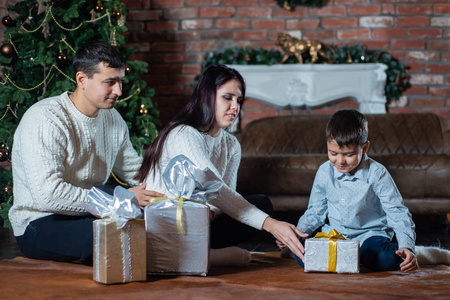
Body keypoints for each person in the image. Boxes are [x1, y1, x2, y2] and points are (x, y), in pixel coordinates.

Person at [9, 41, 164, 265]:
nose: (119, 91)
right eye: (110, 82)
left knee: (151, 224)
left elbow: (136, 172)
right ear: (82, 80)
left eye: (120, 81)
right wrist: (120, 200)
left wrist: (173, 194)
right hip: (39, 222)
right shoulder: (45, 119)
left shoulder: (113, 119)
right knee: (118, 236)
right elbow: (49, 195)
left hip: (88, 212)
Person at [134, 64, 308, 259]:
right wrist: (271, 225)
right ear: (207, 96)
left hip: (202, 222)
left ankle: (199, 254)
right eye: (227, 98)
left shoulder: (231, 144)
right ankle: (199, 256)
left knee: (262, 204)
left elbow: (225, 195)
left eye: (239, 100)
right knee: (259, 216)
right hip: (166, 224)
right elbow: (212, 185)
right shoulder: (183, 134)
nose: (235, 107)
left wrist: (209, 213)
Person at [283, 109, 418, 272]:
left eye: (349, 155)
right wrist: (295, 236)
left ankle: (389, 253)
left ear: (365, 147)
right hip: (335, 238)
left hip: (368, 238)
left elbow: (397, 212)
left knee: (387, 258)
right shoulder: (324, 172)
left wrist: (407, 246)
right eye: (333, 153)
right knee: (303, 255)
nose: (340, 161)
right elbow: (315, 212)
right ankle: (349, 259)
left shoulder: (377, 173)